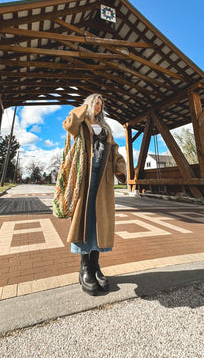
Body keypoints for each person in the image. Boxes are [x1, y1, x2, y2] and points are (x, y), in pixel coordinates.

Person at [63, 93, 126, 296]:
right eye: (95, 103)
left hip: (103, 179)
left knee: (100, 222)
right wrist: (84, 107)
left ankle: (95, 266)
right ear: (89, 103)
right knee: (86, 219)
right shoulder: (80, 123)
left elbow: (115, 150)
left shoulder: (106, 128)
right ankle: (84, 268)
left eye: (101, 104)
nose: (99, 107)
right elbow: (68, 123)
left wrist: (120, 167)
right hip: (86, 176)